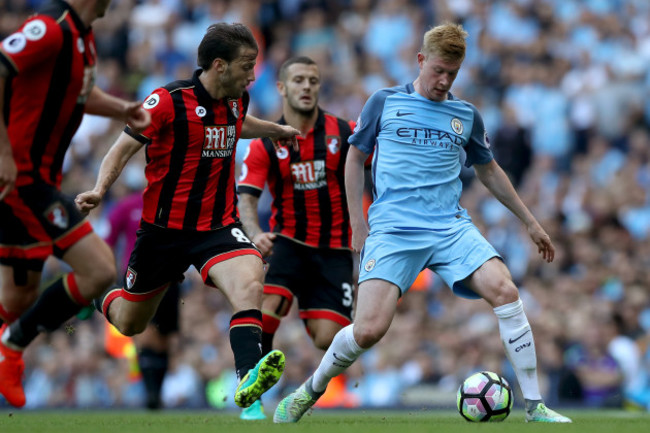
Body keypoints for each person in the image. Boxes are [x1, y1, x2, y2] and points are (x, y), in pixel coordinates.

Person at [274, 22, 572, 423]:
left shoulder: (466, 115)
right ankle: (309, 390)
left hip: (450, 227)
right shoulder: (383, 101)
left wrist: (531, 222)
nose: (444, 80)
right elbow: (352, 159)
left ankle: (535, 406)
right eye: (438, 70)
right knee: (367, 331)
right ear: (420, 60)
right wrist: (357, 224)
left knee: (505, 289)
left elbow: (489, 171)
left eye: (453, 72)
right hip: (394, 230)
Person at [75, 23, 300, 409]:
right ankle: (96, 293)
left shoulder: (236, 99)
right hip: (162, 234)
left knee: (250, 281)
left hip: (216, 225)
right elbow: (122, 148)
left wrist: (273, 130)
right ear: (219, 66)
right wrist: (99, 189)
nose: (253, 75)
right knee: (131, 323)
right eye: (247, 65)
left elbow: (238, 124)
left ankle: (248, 384)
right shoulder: (166, 101)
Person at [0, 0, 151, 408]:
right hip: (23, 183)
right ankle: (10, 349)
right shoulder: (49, 30)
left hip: (41, 182)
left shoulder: (83, 39)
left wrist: (123, 108)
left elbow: (78, 96)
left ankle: (9, 343)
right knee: (101, 270)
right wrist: (3, 153)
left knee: (17, 301)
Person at [237, 56, 357, 419]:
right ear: (282, 87)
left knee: (327, 338)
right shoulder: (265, 141)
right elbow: (246, 197)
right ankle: (253, 391)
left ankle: (306, 307)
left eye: (313, 81)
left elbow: (376, 171)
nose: (307, 87)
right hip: (286, 242)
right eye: (299, 80)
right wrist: (255, 233)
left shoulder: (345, 132)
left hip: (335, 249)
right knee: (264, 307)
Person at [103, 185, 181, 410]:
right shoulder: (127, 206)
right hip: (138, 275)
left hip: (171, 274)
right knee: (145, 333)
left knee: (164, 336)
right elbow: (108, 240)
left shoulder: (171, 204)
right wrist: (115, 273)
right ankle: (152, 395)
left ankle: (156, 393)